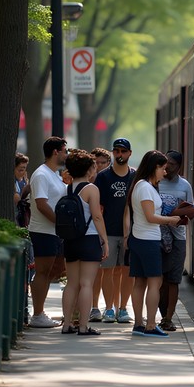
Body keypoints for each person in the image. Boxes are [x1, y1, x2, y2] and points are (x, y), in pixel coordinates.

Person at [125, 150, 182, 338]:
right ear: (155, 167)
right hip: (148, 240)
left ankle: (139, 323)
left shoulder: (141, 185)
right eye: (163, 169)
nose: (165, 173)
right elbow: (150, 217)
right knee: (155, 282)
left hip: (139, 239)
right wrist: (170, 220)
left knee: (139, 282)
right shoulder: (145, 188)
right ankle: (150, 324)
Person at [58, 149, 108, 335]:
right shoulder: (91, 189)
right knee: (86, 283)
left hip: (70, 240)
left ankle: (66, 324)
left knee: (72, 283)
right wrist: (104, 239)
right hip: (89, 240)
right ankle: (83, 326)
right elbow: (96, 215)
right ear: (88, 170)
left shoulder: (67, 188)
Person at [27, 136, 69, 328]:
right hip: (42, 231)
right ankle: (37, 314)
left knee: (47, 273)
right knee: (42, 273)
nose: (66, 155)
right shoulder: (42, 174)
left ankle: (39, 312)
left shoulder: (53, 174)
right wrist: (60, 223)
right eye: (64, 151)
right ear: (55, 152)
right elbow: (42, 204)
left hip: (51, 232)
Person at [94, 138, 136, 324]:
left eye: (123, 151)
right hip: (109, 231)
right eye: (116, 151)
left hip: (129, 232)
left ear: (129, 153)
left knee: (127, 271)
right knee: (108, 271)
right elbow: (99, 207)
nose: (119, 154)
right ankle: (109, 309)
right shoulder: (103, 177)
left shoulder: (135, 177)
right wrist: (101, 234)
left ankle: (123, 309)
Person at [157, 150, 194, 332]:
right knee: (159, 279)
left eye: (172, 164)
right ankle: (160, 311)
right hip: (156, 236)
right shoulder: (155, 182)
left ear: (179, 167)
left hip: (178, 237)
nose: (168, 168)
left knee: (173, 279)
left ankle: (168, 318)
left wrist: (179, 214)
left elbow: (191, 211)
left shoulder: (185, 185)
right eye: (166, 163)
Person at [87, 147, 114, 322]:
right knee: (95, 272)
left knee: (109, 272)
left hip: (108, 229)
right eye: (95, 163)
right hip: (92, 231)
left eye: (102, 163)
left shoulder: (107, 181)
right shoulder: (88, 183)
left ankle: (109, 307)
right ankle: (94, 307)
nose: (99, 166)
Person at [14, 153, 31, 228]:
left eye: (25, 169)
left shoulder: (24, 180)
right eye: (21, 170)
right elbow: (18, 200)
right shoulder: (13, 182)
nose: (23, 172)